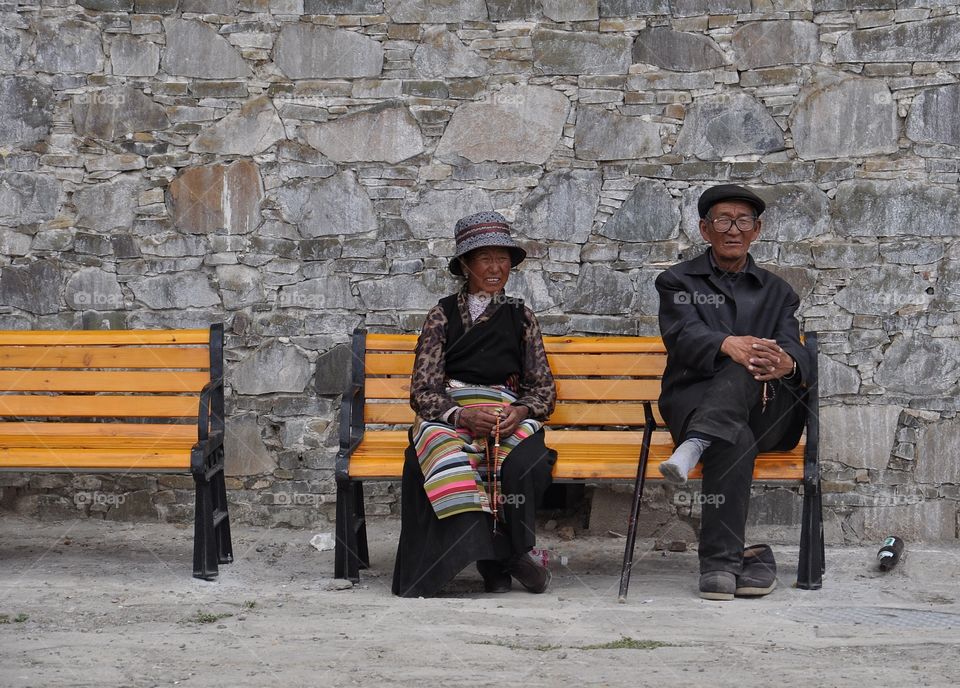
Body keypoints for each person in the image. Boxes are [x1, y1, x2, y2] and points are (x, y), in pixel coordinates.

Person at [654, 184, 810, 601]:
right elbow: (681, 335)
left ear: (756, 231)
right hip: (694, 401)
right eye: (723, 220)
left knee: (754, 357)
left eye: (743, 221)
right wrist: (728, 345)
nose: (733, 229)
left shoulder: (778, 291)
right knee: (733, 435)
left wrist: (788, 363)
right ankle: (720, 568)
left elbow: (792, 345)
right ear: (706, 229)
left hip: (766, 409)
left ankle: (694, 445)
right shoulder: (676, 281)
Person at [392, 211, 557, 598]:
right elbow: (423, 390)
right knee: (444, 452)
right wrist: (461, 413)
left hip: (505, 412)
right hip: (452, 413)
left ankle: (498, 561)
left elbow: (543, 389)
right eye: (485, 259)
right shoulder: (442, 315)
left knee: (517, 462)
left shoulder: (521, 316)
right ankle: (501, 558)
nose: (496, 268)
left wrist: (519, 412)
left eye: (503, 259)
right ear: (465, 265)